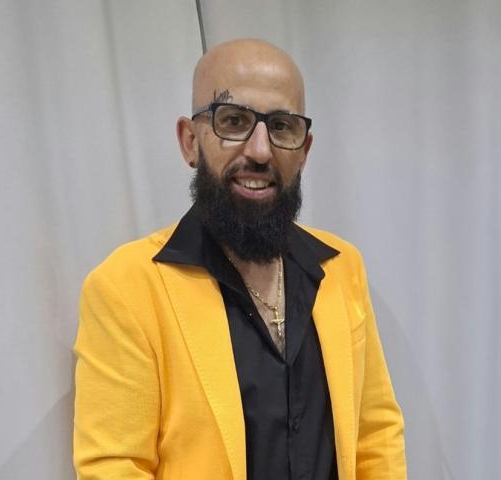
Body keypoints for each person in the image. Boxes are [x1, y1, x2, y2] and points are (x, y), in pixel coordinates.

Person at [73, 38, 406, 480]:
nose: (260, 150)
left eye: (282, 127)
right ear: (190, 141)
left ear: (304, 151)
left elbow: (376, 435)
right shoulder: (126, 288)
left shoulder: (342, 268)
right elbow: (114, 467)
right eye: (233, 121)